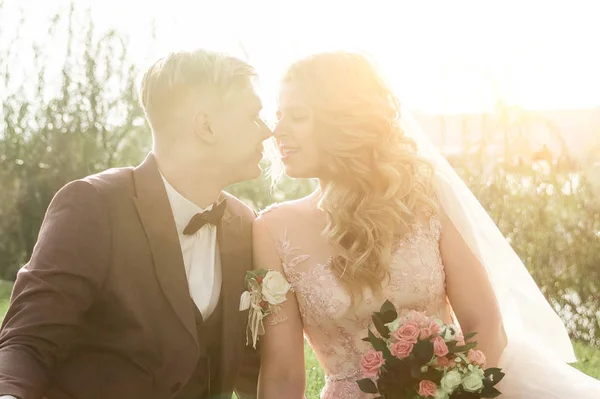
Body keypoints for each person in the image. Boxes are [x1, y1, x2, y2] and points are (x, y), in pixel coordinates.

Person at [253, 51, 600, 398]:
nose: (276, 130)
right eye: (278, 115)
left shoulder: (425, 196)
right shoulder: (273, 230)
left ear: (345, 120)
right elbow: (282, 375)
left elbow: (485, 324)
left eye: (296, 116)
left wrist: (456, 393)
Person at [0, 48, 270, 399]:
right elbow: (27, 342)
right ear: (206, 126)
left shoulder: (243, 223)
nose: (266, 131)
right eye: (253, 116)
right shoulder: (93, 205)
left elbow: (252, 368)